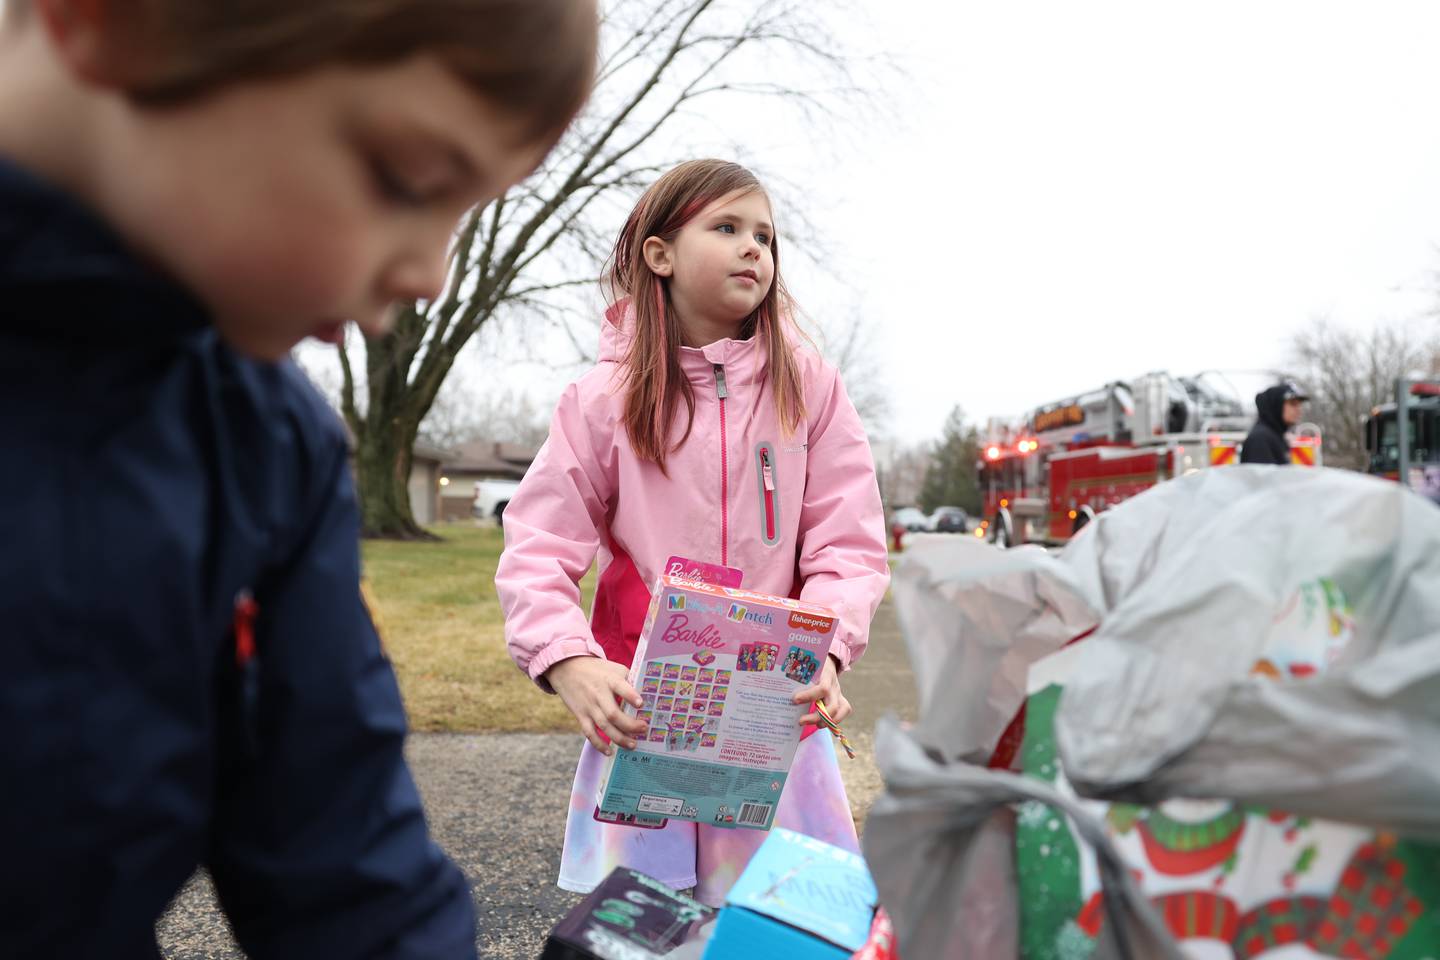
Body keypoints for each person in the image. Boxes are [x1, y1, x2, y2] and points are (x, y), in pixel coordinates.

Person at [0, 1, 597, 956]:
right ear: (116, 23)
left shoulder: (264, 446)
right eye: (408, 179)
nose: (434, 274)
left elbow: (349, 871)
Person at [494, 159, 891, 905]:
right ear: (660, 253)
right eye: (729, 227)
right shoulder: (600, 400)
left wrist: (828, 649)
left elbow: (849, 541)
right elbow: (538, 547)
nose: (755, 249)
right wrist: (566, 659)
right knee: (651, 923)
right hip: (648, 712)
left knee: (786, 921)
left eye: (767, 237)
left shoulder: (810, 389)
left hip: (774, 715)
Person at [1241, 380, 1308, 465]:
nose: (1299, 410)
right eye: (1293, 404)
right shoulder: (1260, 439)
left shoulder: (1275, 436)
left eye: (1299, 405)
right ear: (1277, 405)